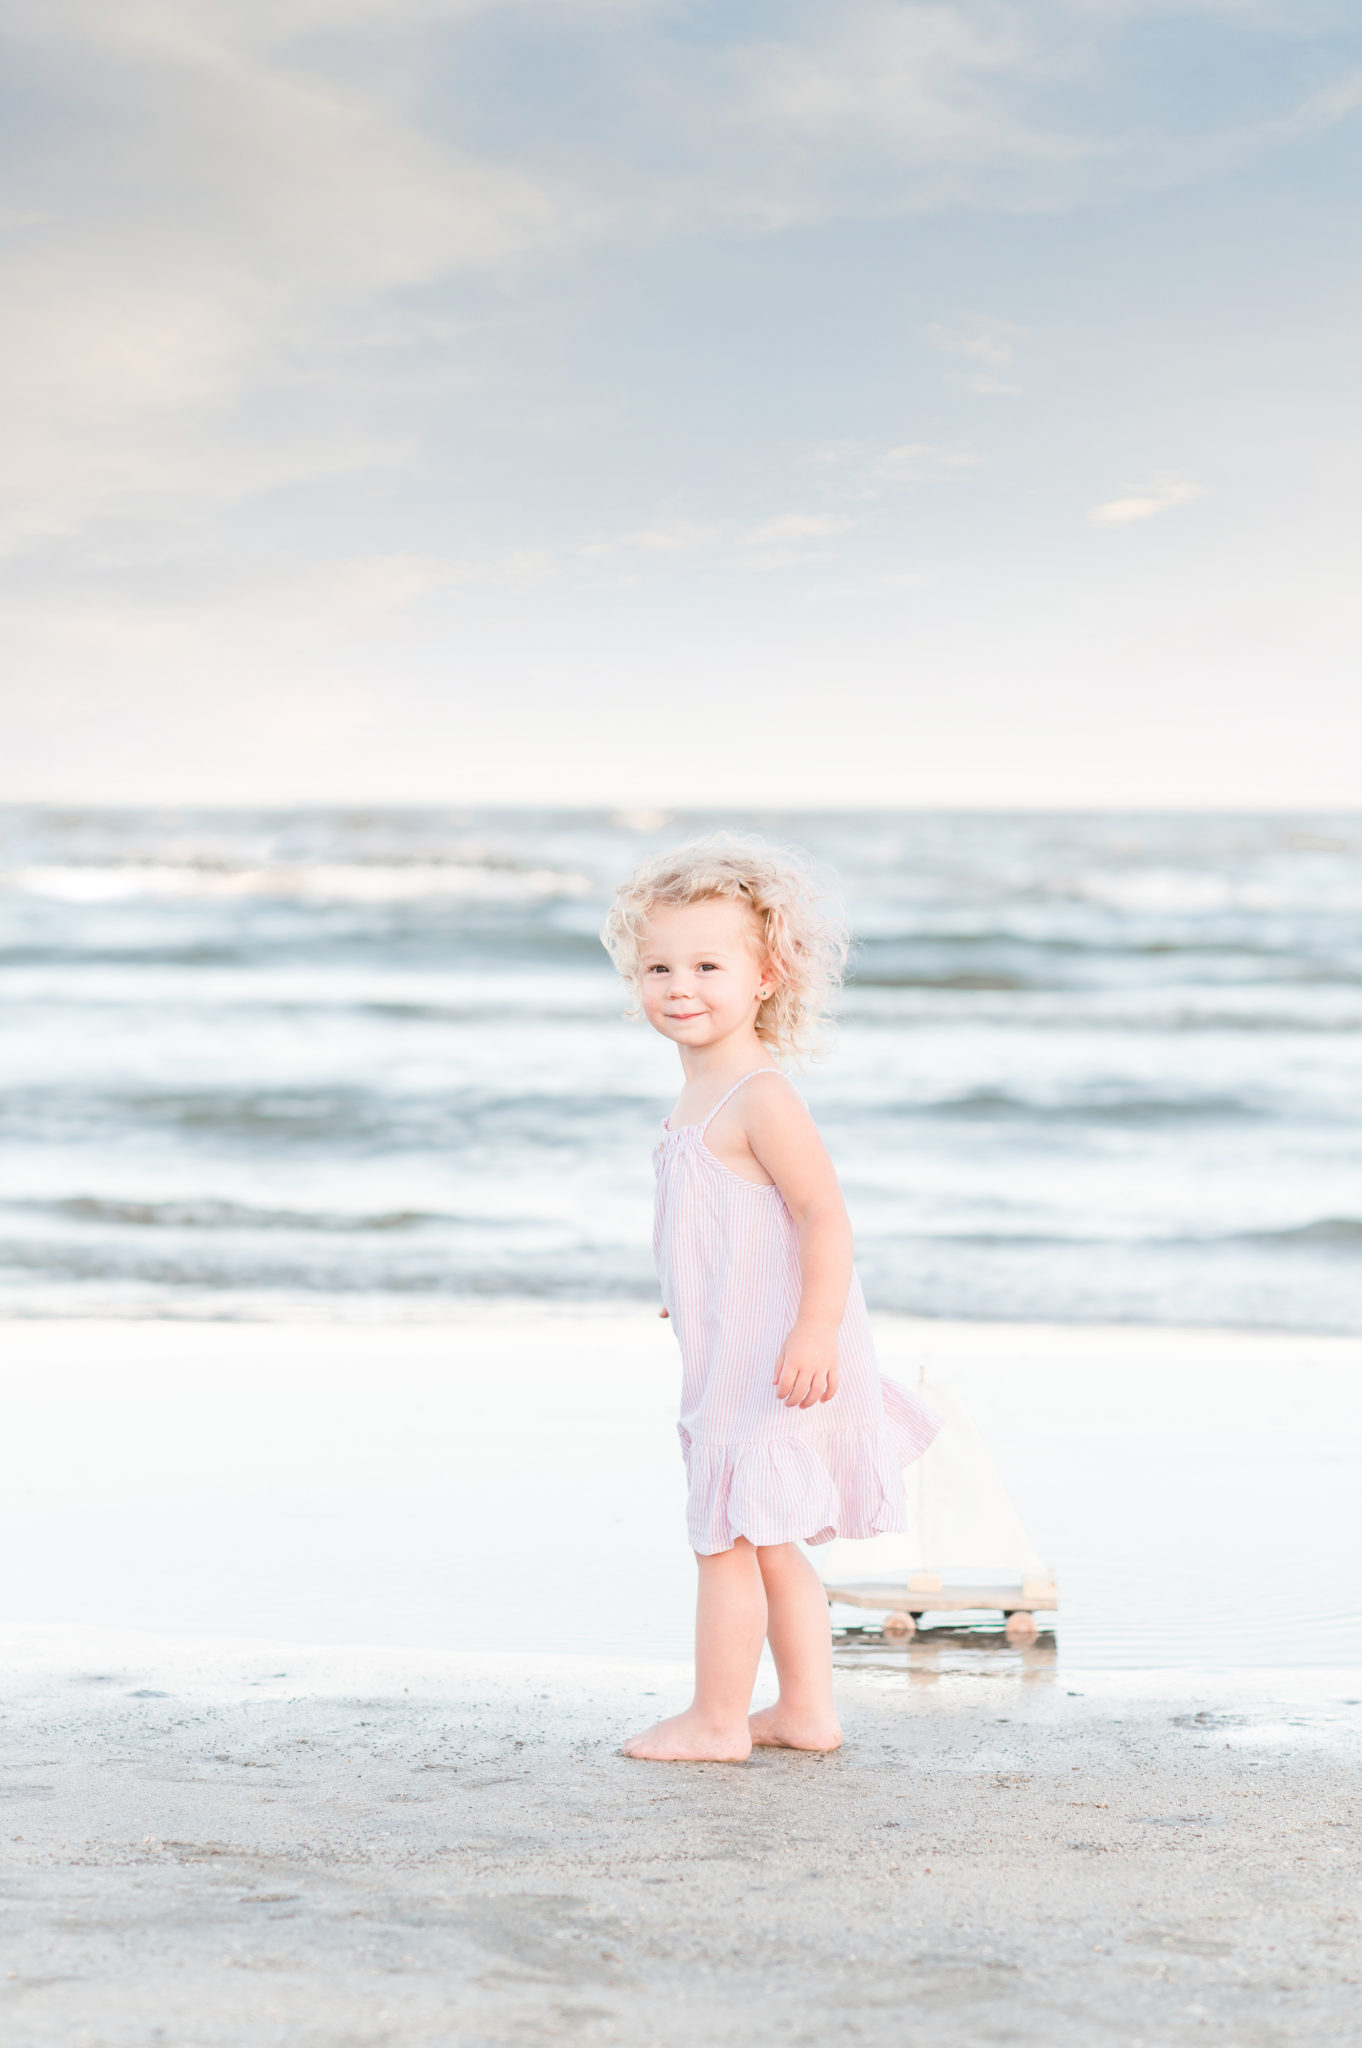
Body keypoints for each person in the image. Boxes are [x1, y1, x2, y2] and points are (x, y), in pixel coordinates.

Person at [601, 836, 939, 1762]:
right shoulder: (696, 1087)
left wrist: (817, 1328)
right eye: (659, 966)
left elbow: (824, 1218)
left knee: (726, 1535)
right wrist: (691, 1287)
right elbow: (724, 1218)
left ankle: (717, 1721)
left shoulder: (759, 1093)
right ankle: (805, 1712)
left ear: (766, 975)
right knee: (770, 1535)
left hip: (782, 1351)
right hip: (735, 1338)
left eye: (709, 965)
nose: (681, 986)